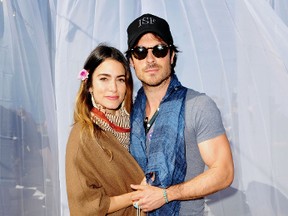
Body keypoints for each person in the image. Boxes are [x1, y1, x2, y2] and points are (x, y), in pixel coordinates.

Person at [125, 13, 234, 215]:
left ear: (172, 55)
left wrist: (166, 194)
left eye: (159, 50)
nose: (150, 59)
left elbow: (224, 172)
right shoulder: (128, 113)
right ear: (132, 60)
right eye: (140, 51)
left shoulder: (198, 105)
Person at [65, 44, 146, 215]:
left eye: (120, 79)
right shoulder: (84, 135)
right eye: (104, 78)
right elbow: (86, 205)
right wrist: (138, 195)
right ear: (89, 85)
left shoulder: (140, 125)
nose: (113, 88)